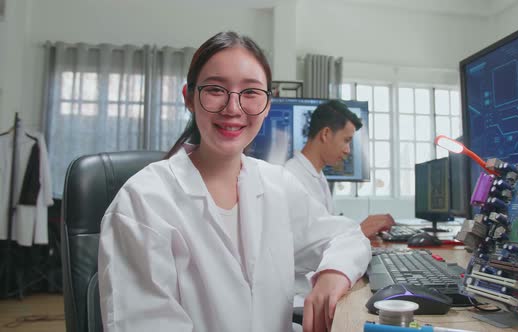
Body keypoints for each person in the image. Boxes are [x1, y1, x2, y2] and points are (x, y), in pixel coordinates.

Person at [97, 31, 371, 332]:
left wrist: (333, 273)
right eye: (216, 89)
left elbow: (348, 236)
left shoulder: (277, 185)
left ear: (267, 104)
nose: (233, 108)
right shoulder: (143, 202)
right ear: (189, 97)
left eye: (251, 92)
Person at [284, 100, 396, 239]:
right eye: (346, 140)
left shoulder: (317, 176)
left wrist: (358, 230)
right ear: (325, 134)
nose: (348, 150)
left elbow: (323, 233)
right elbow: (307, 247)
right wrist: (359, 231)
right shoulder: (291, 177)